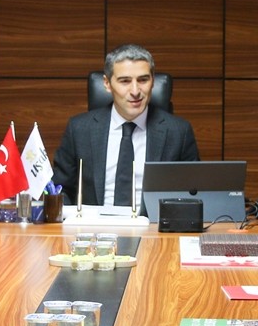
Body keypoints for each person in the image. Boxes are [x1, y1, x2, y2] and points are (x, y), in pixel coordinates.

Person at [52, 44, 199, 207]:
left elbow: (192, 192)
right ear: (107, 83)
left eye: (143, 80)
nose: (135, 91)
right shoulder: (79, 129)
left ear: (153, 81)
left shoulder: (178, 132)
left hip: (152, 229)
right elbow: (59, 189)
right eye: (125, 81)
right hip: (94, 228)